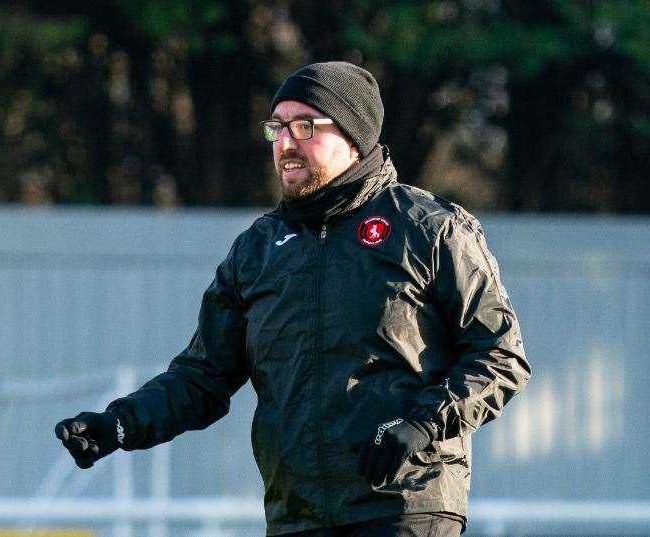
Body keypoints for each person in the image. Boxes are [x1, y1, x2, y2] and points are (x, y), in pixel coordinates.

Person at [55, 61, 531, 537]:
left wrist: (423, 425)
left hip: (403, 509)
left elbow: (500, 356)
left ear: (354, 137)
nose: (286, 142)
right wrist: (118, 425)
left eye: (306, 126)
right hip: (296, 516)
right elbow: (201, 377)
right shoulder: (257, 250)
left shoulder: (428, 228)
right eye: (277, 128)